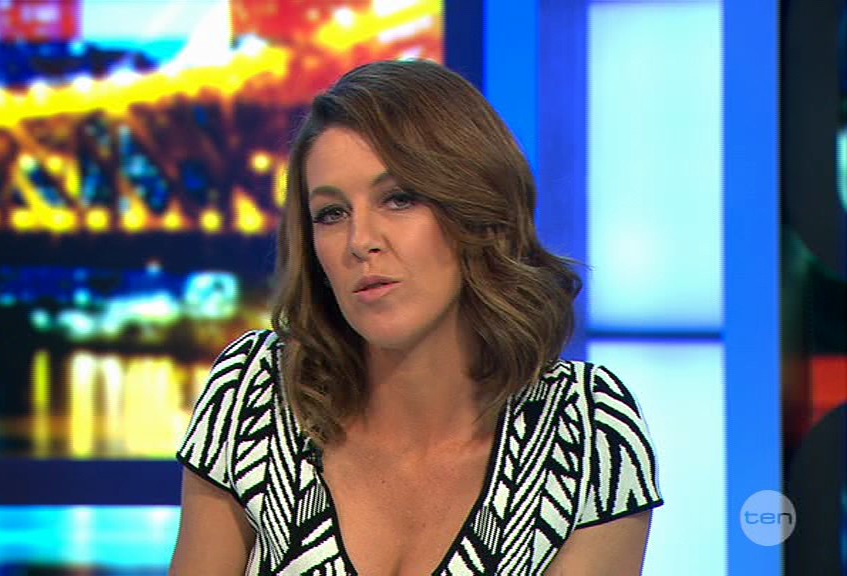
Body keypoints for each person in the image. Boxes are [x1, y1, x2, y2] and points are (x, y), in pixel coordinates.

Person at [169, 60, 663, 575]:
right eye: (332, 214)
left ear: (475, 210)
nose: (360, 241)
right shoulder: (255, 393)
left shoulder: (584, 431)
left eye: (399, 199)